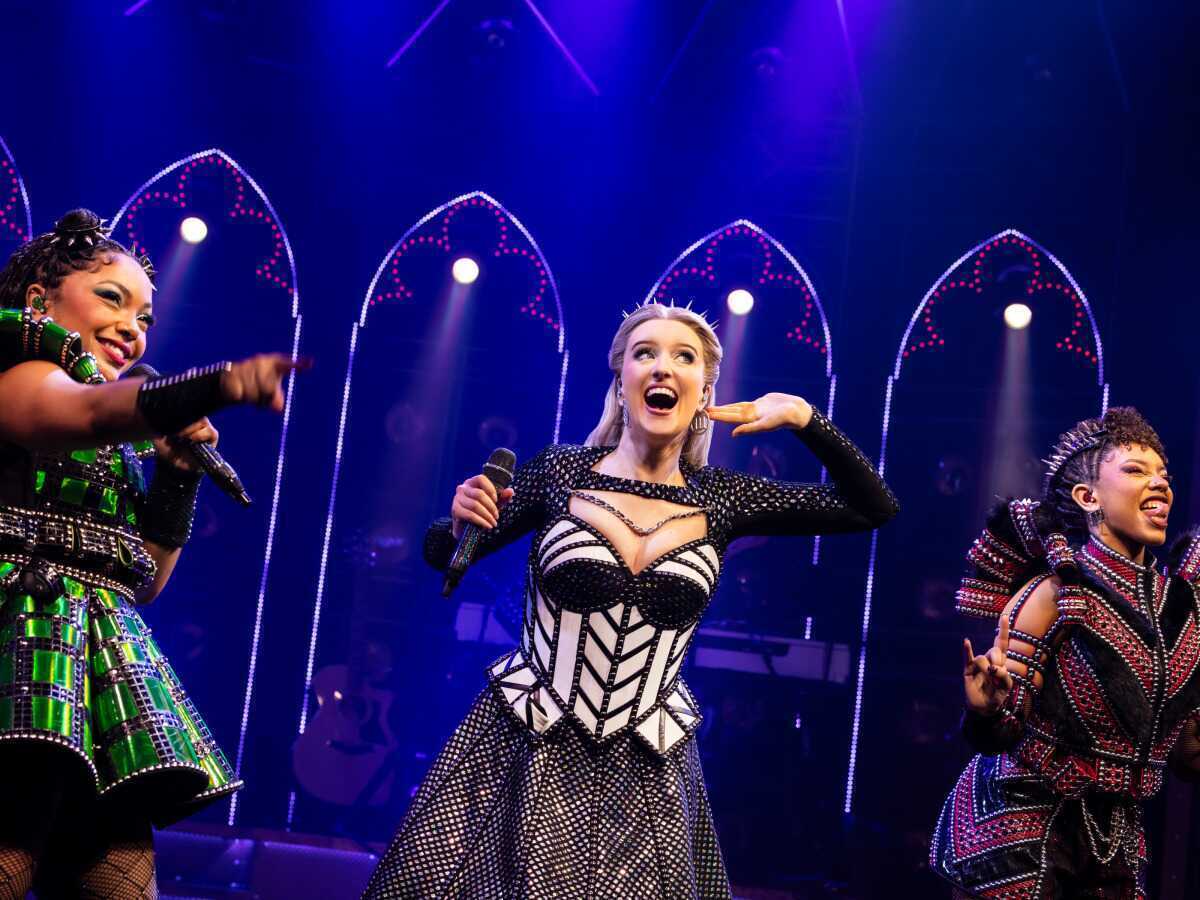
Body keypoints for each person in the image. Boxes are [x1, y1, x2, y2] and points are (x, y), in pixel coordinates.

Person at [363, 301, 898, 898]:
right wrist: (458, 521)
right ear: (622, 381)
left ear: (705, 392)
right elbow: (443, 554)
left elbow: (872, 507)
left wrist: (804, 419)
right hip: (526, 744)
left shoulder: (724, 498)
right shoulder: (560, 472)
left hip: (647, 770)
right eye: (645, 353)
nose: (662, 367)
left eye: (683, 357)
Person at [0, 209, 306, 899]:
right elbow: (82, 412)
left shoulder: (119, 440)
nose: (132, 327)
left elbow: (141, 582)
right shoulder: (19, 371)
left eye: (144, 317)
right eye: (111, 299)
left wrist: (175, 476)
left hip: (93, 689)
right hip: (15, 668)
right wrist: (216, 384)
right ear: (40, 300)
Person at [930, 407, 1200, 899]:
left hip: (1114, 835)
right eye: (1136, 470)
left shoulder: (1181, 608)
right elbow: (1003, 729)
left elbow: (1186, 752)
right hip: (1020, 822)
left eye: (1164, 474)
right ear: (1088, 497)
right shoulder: (1054, 591)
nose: (1160, 484)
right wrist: (988, 708)